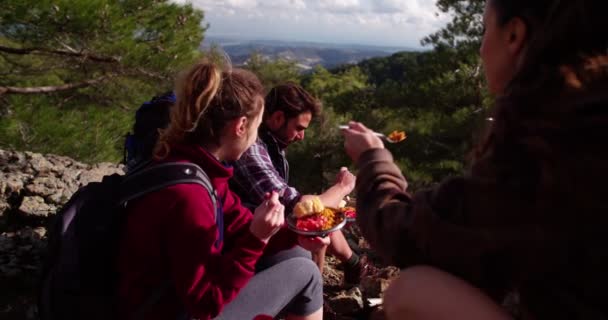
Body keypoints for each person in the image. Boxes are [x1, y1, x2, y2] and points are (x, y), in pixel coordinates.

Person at [342, 0, 608, 319]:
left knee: (411, 289)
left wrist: (374, 158)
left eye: (484, 30)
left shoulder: (542, 149)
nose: (481, 49)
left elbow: (405, 234)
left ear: (514, 35)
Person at [117, 62, 325, 320]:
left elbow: (240, 225)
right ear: (240, 126)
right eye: (256, 127)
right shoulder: (188, 196)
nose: (255, 138)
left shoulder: (199, 170)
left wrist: (296, 234)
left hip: (172, 299)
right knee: (307, 275)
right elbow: (204, 304)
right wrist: (257, 240)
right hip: (172, 311)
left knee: (295, 252)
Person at [230, 83, 372, 284]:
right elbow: (299, 207)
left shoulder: (271, 144)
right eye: (298, 128)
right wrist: (343, 187)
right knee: (316, 224)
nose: (302, 136)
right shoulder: (253, 150)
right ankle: (311, 294)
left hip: (260, 227)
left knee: (322, 220)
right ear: (278, 118)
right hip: (247, 241)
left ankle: (352, 264)